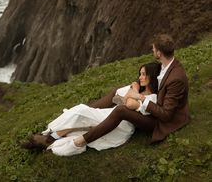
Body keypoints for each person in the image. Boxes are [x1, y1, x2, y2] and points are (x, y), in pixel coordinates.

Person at [23, 34, 190, 156]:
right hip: (145, 108)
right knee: (93, 109)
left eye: (154, 49)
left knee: (115, 111)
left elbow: (166, 114)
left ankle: (78, 139)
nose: (152, 51)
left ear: (159, 52)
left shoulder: (175, 77)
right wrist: (136, 87)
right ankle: (53, 133)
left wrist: (140, 101)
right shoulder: (163, 67)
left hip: (161, 120)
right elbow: (147, 79)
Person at [22, 62, 160, 153]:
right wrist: (132, 93)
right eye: (140, 74)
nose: (140, 77)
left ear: (151, 77)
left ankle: (51, 138)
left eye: (143, 74)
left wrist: (133, 91)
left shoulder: (152, 97)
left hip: (121, 126)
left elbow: (129, 104)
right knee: (79, 113)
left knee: (80, 112)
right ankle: (50, 135)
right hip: (110, 115)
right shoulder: (139, 92)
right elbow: (119, 96)